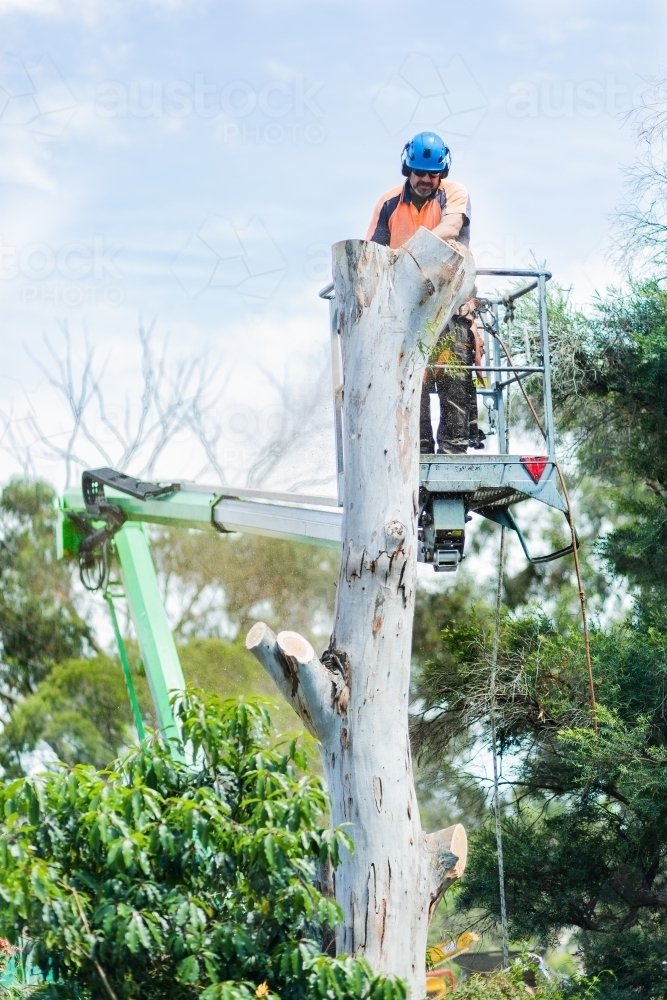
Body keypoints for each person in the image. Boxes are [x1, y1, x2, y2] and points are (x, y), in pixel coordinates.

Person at [366, 131, 484, 454]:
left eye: (433, 174)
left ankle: (453, 450)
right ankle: (416, 450)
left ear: (441, 173)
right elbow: (371, 258)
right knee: (408, 375)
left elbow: (451, 228)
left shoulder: (455, 194)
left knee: (454, 364)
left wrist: (409, 254)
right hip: (406, 309)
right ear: (408, 169)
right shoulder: (388, 204)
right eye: (419, 172)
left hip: (449, 304)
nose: (425, 180)